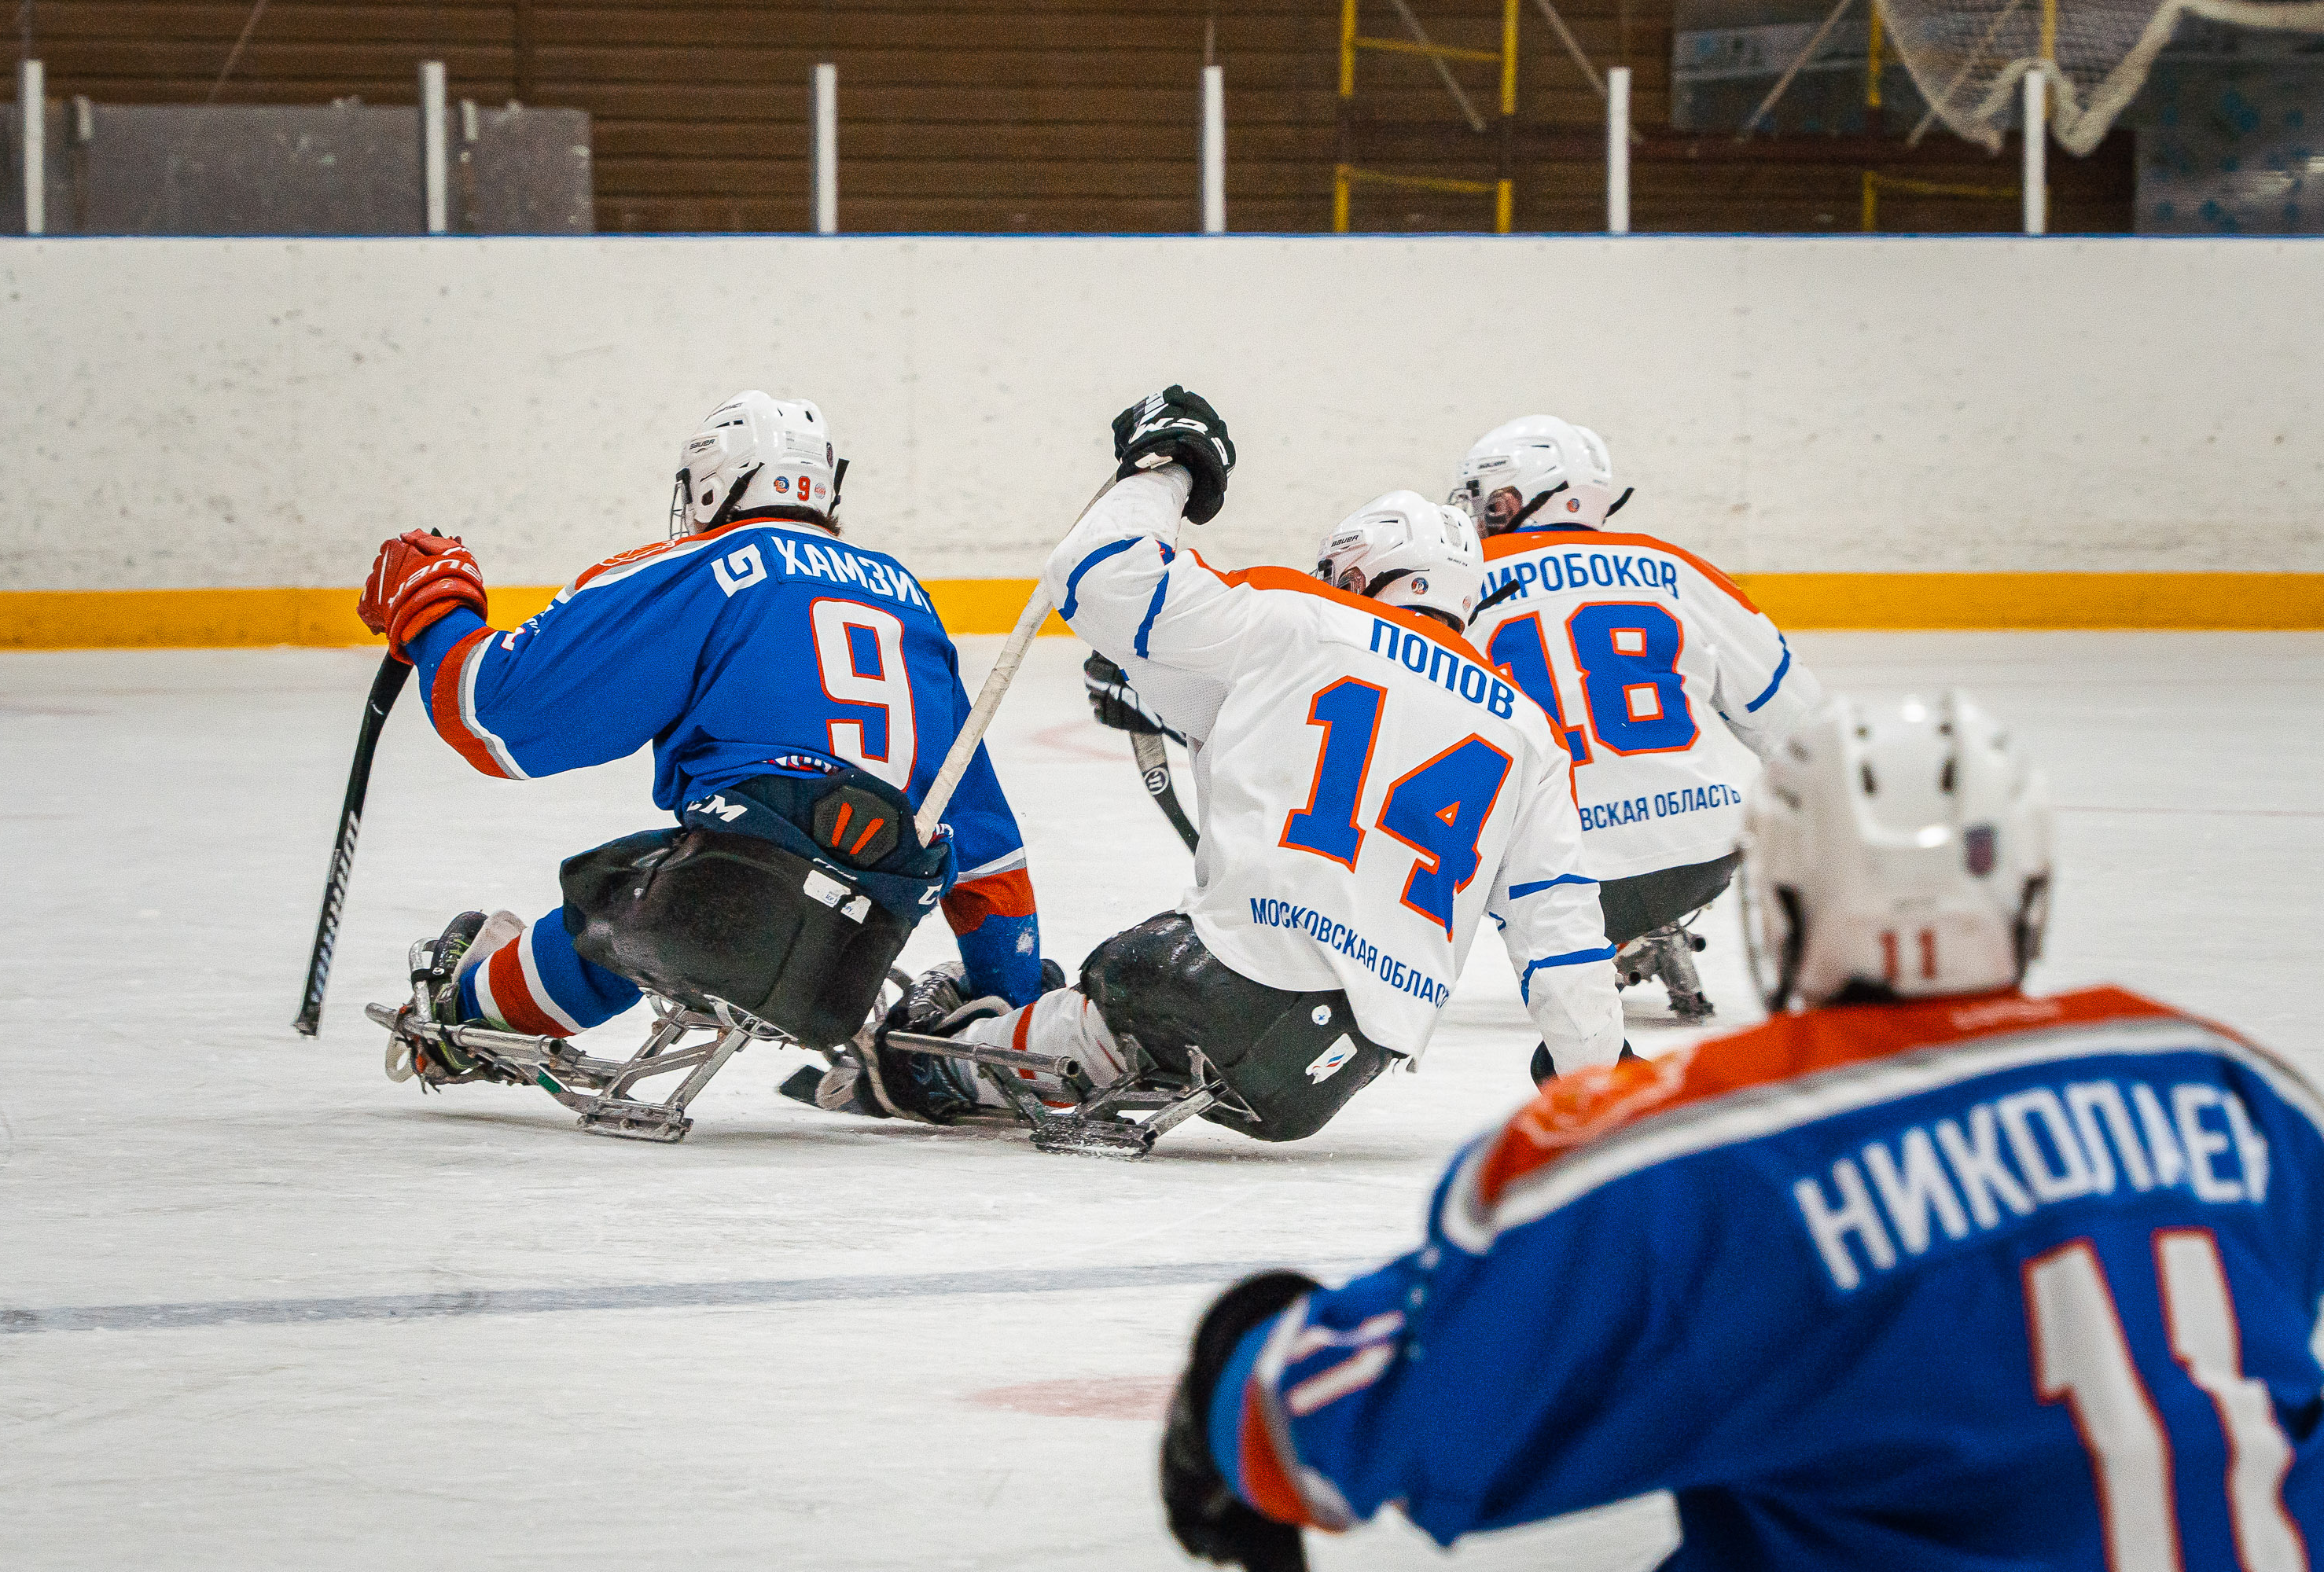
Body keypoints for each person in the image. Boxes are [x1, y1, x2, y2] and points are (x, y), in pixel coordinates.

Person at [1160, 694, 2324, 1572]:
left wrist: (1241, 1364)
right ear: (2024, 890)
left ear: (1778, 906)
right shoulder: (2234, 1087)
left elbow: (1334, 1428)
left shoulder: (1687, 1154)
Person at [826, 387, 1623, 1144]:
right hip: (1334, 1069)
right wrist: (1593, 1073)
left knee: (1113, 995)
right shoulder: (1529, 728)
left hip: (1206, 980)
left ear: (1352, 574)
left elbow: (1098, 577)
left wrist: (1166, 466)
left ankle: (939, 1063)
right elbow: (1564, 932)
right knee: (1172, 1002)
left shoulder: (1298, 614)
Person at [355, 388, 1046, 1085]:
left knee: (629, 900)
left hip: (715, 903)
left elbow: (497, 714)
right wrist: (1014, 1017)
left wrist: (433, 608)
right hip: (853, 958)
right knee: (722, 882)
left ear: (715, 483)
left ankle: (466, 1013)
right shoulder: (908, 600)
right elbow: (986, 848)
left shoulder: (705, 568)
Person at [1454, 414, 1826, 1036]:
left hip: (1552, 885)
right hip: (1702, 854)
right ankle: (1643, 923)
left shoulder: (1460, 583)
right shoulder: (1671, 566)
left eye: (1486, 495)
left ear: (1521, 496)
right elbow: (1801, 720)